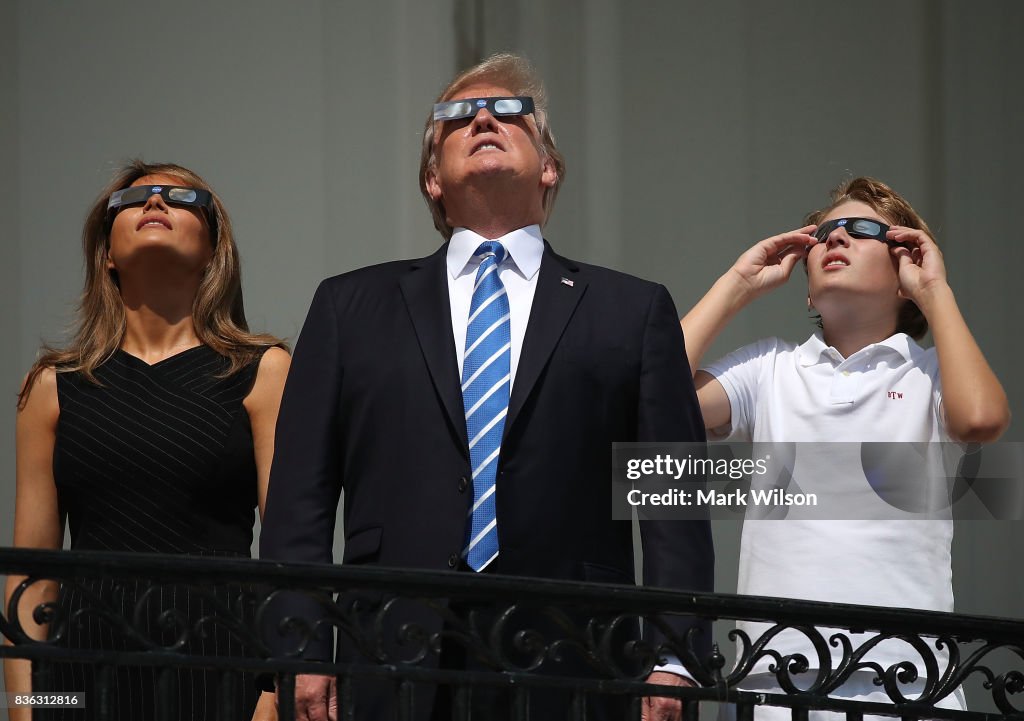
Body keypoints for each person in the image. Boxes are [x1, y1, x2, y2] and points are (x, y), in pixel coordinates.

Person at [259, 52, 713, 721]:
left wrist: (674, 655)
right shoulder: (349, 307)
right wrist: (298, 647)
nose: (482, 118)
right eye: (456, 115)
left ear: (550, 166)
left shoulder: (632, 310)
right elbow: (300, 498)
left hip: (574, 657)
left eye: (509, 111)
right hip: (392, 650)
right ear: (432, 178)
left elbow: (671, 499)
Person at [681, 176, 1010, 719]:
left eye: (861, 231)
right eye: (825, 234)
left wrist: (936, 291)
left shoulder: (932, 372)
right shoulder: (770, 369)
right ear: (807, 289)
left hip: (905, 681)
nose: (836, 239)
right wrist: (737, 284)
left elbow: (980, 419)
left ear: (904, 273)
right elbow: (654, 397)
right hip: (774, 681)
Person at [5, 160, 290, 721]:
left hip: (221, 672)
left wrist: (272, 690)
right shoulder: (52, 386)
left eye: (178, 199)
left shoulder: (261, 371)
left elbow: (286, 556)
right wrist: (28, 707)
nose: (154, 203)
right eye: (133, 199)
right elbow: (31, 574)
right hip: (81, 679)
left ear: (213, 248)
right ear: (106, 252)